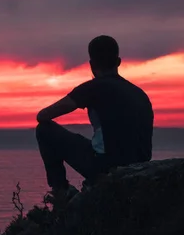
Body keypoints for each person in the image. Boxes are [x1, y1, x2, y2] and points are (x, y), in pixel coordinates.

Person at [36, 35, 153, 201]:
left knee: (44, 130)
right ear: (118, 62)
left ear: (91, 64)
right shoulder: (140, 94)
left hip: (106, 166)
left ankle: (61, 191)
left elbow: (43, 116)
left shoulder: (93, 88)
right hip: (140, 164)